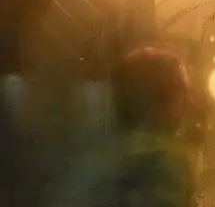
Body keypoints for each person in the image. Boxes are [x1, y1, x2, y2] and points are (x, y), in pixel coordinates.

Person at [47, 46, 194, 207]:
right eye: (182, 91)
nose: (189, 102)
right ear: (155, 100)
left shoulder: (91, 159)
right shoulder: (164, 165)